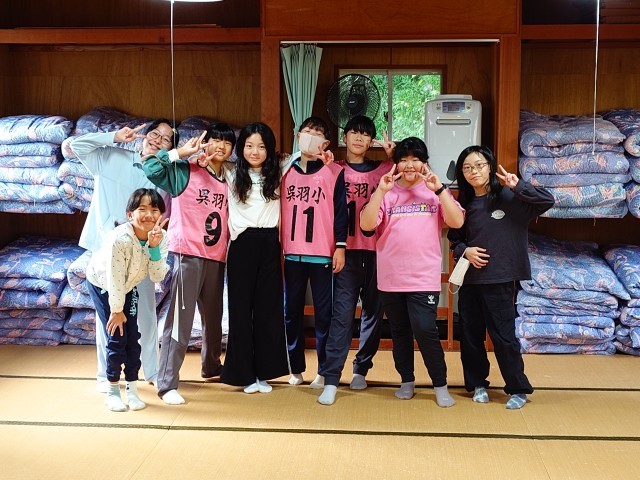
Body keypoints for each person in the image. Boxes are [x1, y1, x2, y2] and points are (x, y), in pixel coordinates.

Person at [70, 119, 177, 392]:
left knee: (146, 314)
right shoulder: (112, 156)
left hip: (142, 250)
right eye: (155, 133)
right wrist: (114, 137)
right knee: (108, 315)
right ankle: (105, 376)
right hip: (109, 248)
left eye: (166, 139)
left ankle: (152, 372)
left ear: (169, 149)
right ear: (145, 135)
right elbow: (76, 146)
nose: (158, 140)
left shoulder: (164, 174)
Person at [447, 145, 554, 409]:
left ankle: (517, 388)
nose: (474, 172)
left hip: (500, 280)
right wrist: (465, 251)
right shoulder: (463, 203)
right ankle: (477, 384)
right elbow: (455, 240)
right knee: (470, 336)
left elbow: (547, 201)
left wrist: (519, 186)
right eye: (467, 168)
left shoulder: (510, 197)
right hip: (470, 280)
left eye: (479, 165)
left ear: (490, 167)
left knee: (504, 337)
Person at [360, 137, 464, 408]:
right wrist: (380, 192)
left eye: (415, 159)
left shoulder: (433, 191)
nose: (409, 165)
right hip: (391, 279)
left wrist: (440, 189)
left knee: (426, 330)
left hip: (423, 278)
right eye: (404, 160)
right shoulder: (387, 191)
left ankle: (440, 385)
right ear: (395, 164)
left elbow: (457, 221)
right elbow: (367, 225)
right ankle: (406, 381)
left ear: (424, 163)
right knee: (400, 332)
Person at [142, 123, 235, 405]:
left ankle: (211, 366)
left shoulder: (230, 177)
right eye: (214, 140)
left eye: (226, 142)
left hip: (217, 256)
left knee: (214, 318)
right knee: (180, 321)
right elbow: (151, 169)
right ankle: (167, 383)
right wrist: (180, 153)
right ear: (204, 143)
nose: (220, 146)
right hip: (188, 255)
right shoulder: (186, 170)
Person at [318, 115, 394, 406]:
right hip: (344, 252)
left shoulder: (385, 170)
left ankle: (361, 368)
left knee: (374, 312)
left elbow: (415, 173)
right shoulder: (333, 168)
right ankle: (331, 378)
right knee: (342, 314)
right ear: (345, 137)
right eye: (354, 132)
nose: (359, 138)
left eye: (365, 134)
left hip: (378, 251)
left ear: (372, 141)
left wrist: (394, 156)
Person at [220, 122, 295, 394]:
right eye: (249, 146)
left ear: (270, 149)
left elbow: (303, 154)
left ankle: (265, 372)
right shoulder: (230, 171)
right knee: (240, 311)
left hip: (269, 244)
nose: (255, 152)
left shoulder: (279, 171)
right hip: (241, 244)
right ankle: (243, 375)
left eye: (261, 147)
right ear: (241, 148)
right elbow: (204, 161)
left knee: (268, 311)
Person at [86, 188, 170, 412]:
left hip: (129, 284)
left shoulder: (160, 237)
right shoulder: (120, 239)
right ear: (130, 214)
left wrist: (154, 248)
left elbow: (157, 276)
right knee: (117, 336)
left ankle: (132, 390)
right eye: (142, 209)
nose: (149, 215)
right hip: (104, 284)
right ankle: (113, 391)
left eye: (154, 210)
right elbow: (114, 277)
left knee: (133, 337)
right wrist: (116, 310)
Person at [282, 116, 347, 389]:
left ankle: (324, 370)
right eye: (307, 132)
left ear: (326, 143)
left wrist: (340, 247)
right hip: (291, 254)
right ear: (298, 136)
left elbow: (341, 213)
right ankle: (295, 368)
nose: (311, 137)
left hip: (322, 254)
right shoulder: (285, 169)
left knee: (324, 315)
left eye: (317, 134)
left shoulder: (334, 171)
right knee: (291, 312)